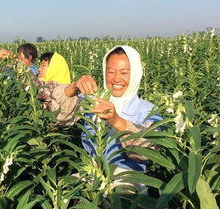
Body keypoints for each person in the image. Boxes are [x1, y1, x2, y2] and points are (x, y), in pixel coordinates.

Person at [44, 45, 162, 174]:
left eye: (124, 73)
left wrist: (116, 121)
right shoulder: (94, 101)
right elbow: (58, 116)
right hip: (93, 172)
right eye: (111, 72)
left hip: (128, 178)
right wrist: (74, 87)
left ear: (135, 74)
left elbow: (149, 151)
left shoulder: (149, 110)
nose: (116, 78)